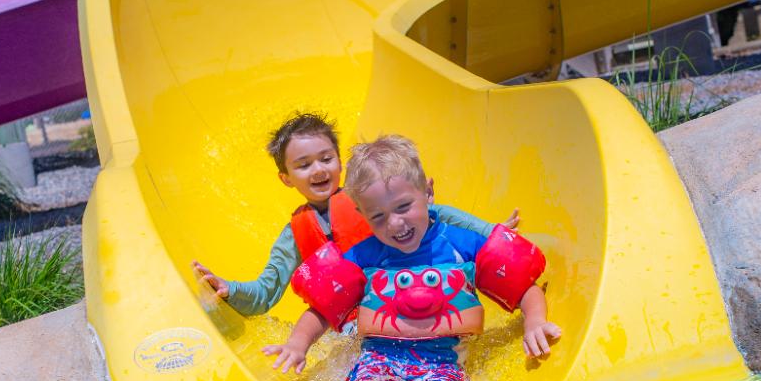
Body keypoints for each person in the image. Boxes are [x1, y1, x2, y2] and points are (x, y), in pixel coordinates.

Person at [264, 135, 561, 381]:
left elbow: (523, 287)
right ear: (362, 214)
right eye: (377, 217)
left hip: (442, 360)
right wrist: (297, 343)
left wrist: (534, 321)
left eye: (404, 207)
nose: (395, 223)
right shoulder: (363, 256)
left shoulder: (462, 245)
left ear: (428, 192)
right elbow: (323, 308)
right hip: (379, 356)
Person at [192, 113, 517, 316]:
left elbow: (437, 216)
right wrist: (230, 289)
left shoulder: (373, 199)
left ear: (339, 161)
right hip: (366, 323)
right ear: (286, 178)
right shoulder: (295, 235)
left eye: (326, 158)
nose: (318, 170)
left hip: (419, 296)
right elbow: (265, 293)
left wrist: (492, 233)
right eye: (304, 165)